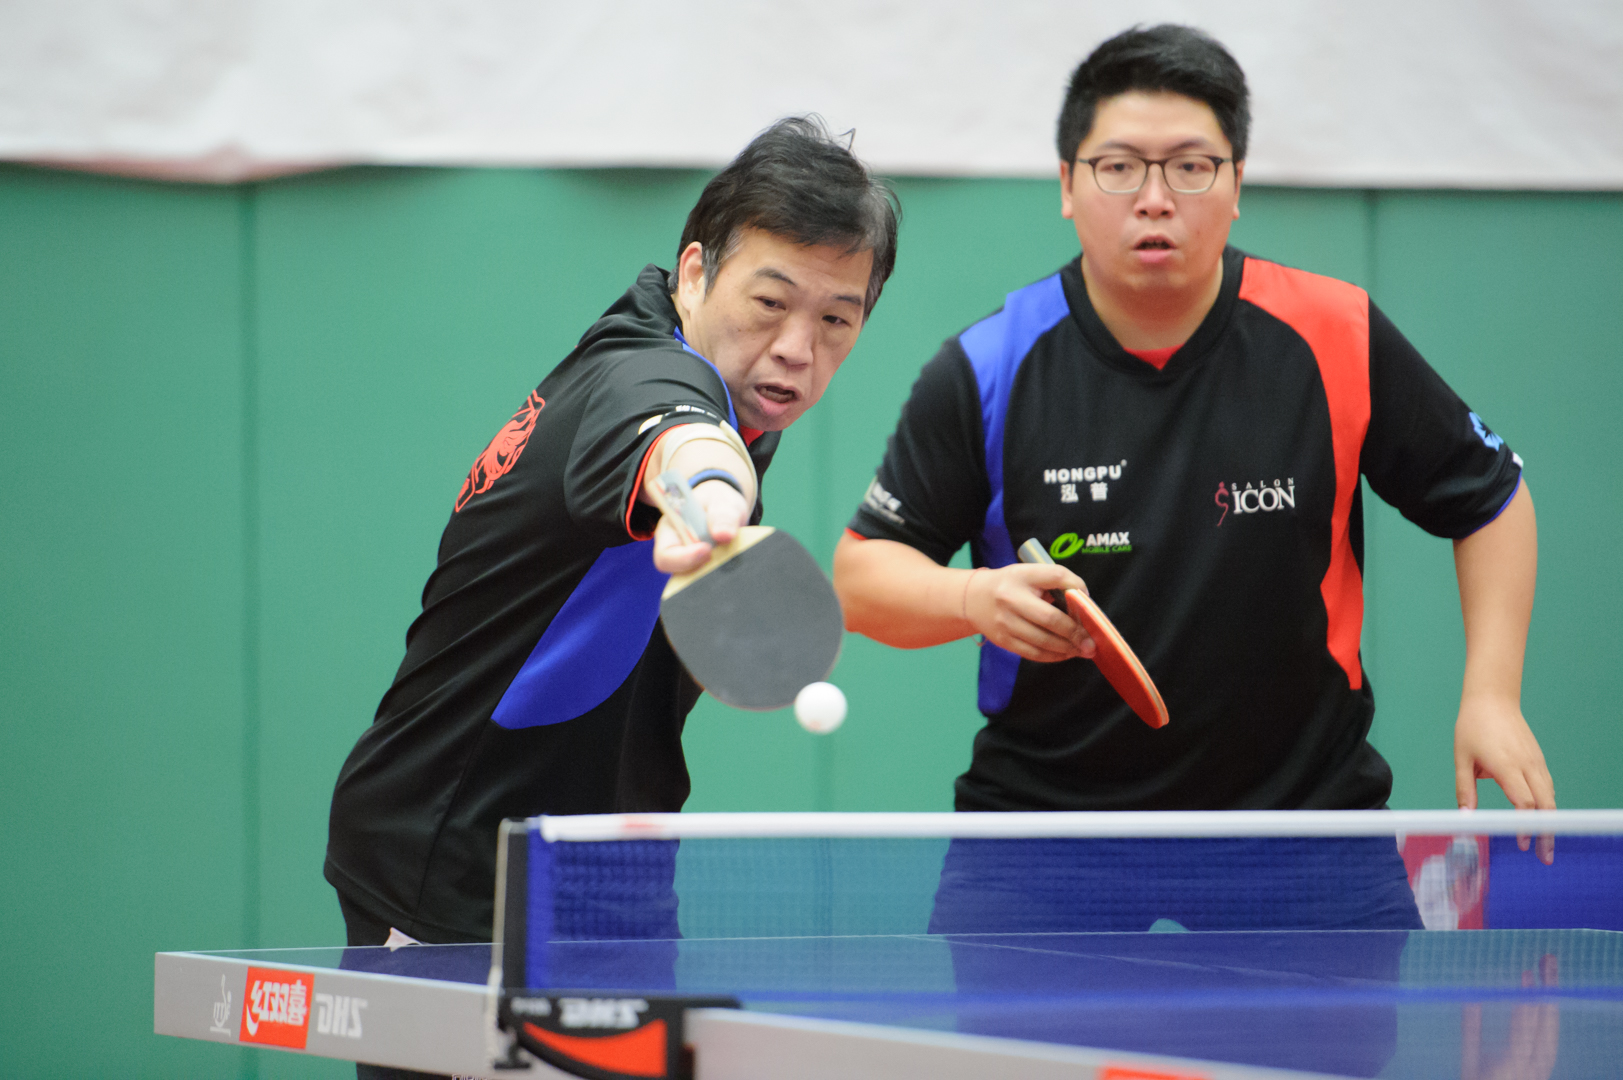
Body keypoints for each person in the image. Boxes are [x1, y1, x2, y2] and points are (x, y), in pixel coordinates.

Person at [834, 25, 1554, 939]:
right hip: (1045, 845)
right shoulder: (989, 366)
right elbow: (860, 577)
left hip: (1303, 832)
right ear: (1066, 186)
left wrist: (1491, 695)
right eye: (1117, 167)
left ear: (1236, 183)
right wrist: (973, 598)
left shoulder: (1334, 334)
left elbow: (1488, 499)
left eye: (1190, 167)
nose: (1154, 199)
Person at [326, 117, 899, 984]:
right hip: (462, 862)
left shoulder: (727, 387)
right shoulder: (644, 377)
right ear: (696, 271)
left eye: (835, 319)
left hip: (602, 866)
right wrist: (714, 499)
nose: (796, 348)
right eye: (770, 303)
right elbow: (678, 440)